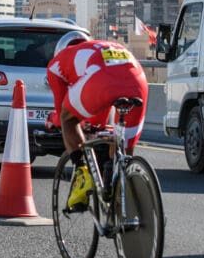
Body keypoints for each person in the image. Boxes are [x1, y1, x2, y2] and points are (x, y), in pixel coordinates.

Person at [46, 31, 148, 211]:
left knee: (67, 119)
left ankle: (82, 174)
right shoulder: (102, 46)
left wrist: (54, 121)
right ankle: (116, 185)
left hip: (100, 79)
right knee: (124, 149)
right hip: (138, 81)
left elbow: (63, 110)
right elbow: (98, 122)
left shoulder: (56, 64)